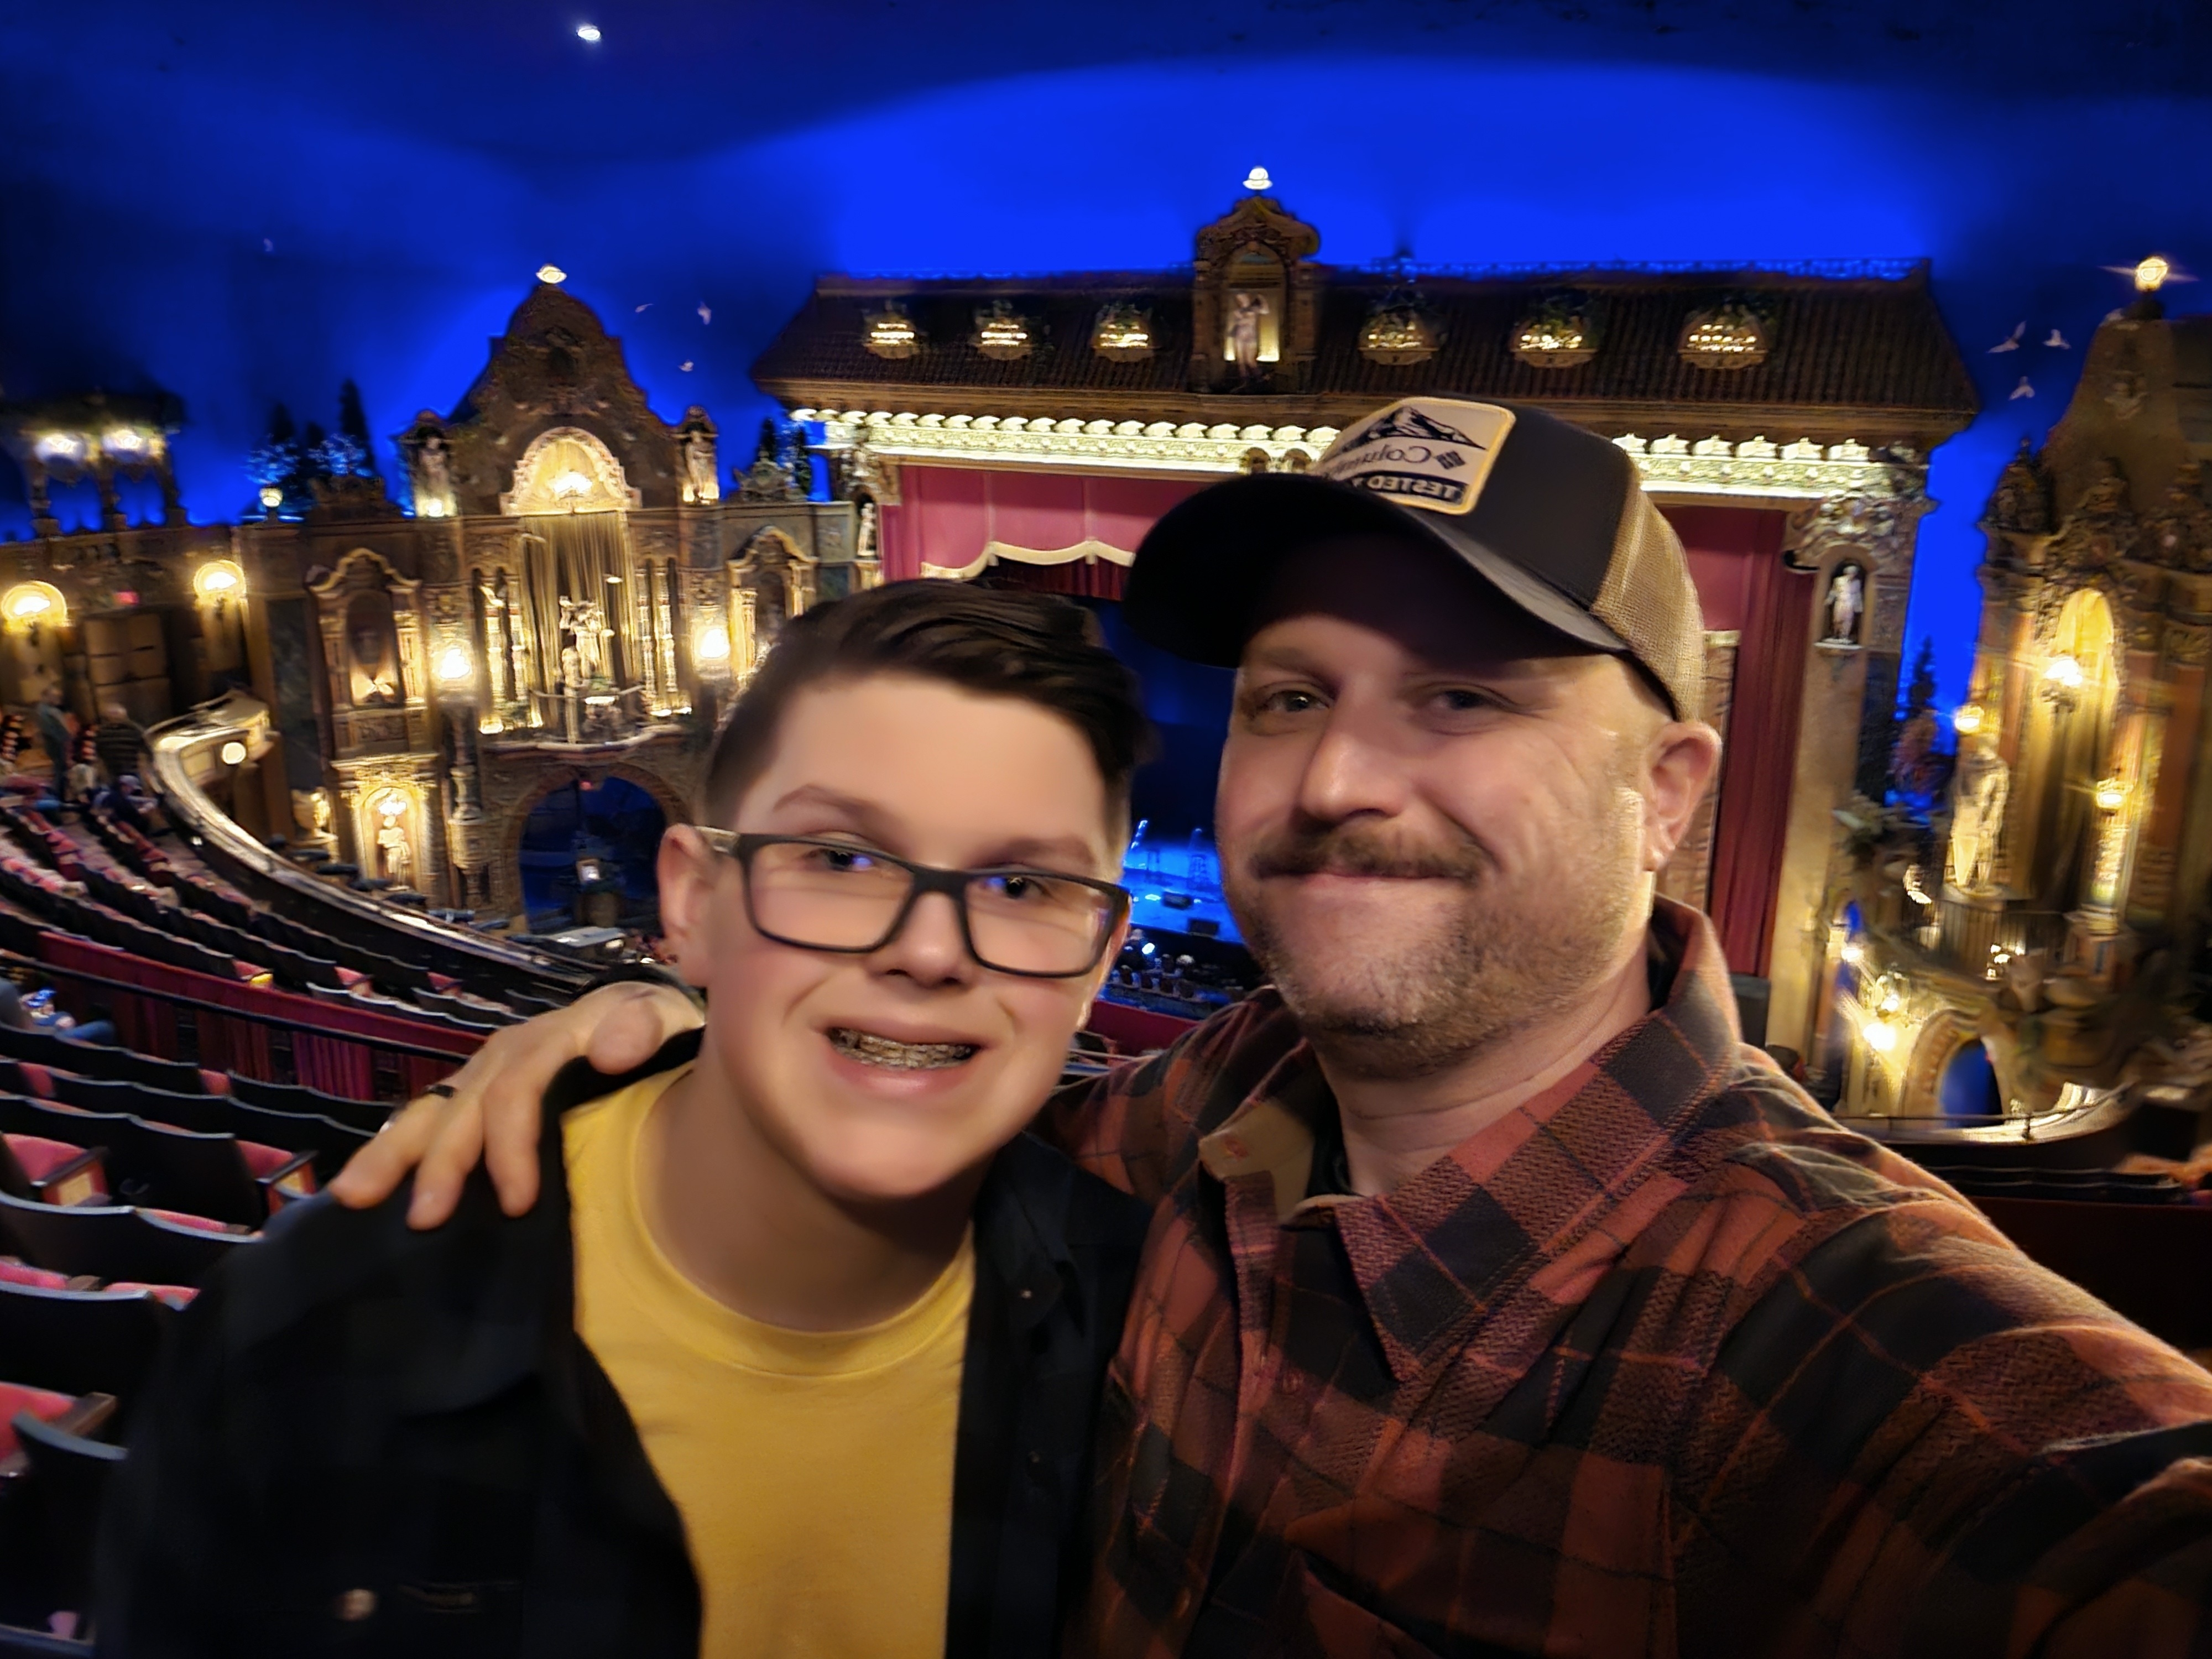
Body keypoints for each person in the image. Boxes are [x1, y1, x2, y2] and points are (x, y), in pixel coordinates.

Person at [334, 398, 2212, 1653]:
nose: (1335, 783)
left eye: (1464, 697)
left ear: (1667, 794)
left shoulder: (1822, 1332)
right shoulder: (1218, 1103)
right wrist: (679, 1037)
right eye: (1290, 697)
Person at [97, 583, 1155, 1657]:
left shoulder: (1150, 1321)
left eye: (1023, 886)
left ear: (1098, 964)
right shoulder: (309, 1335)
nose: (928, 952)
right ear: (691, 903)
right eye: (839, 859)